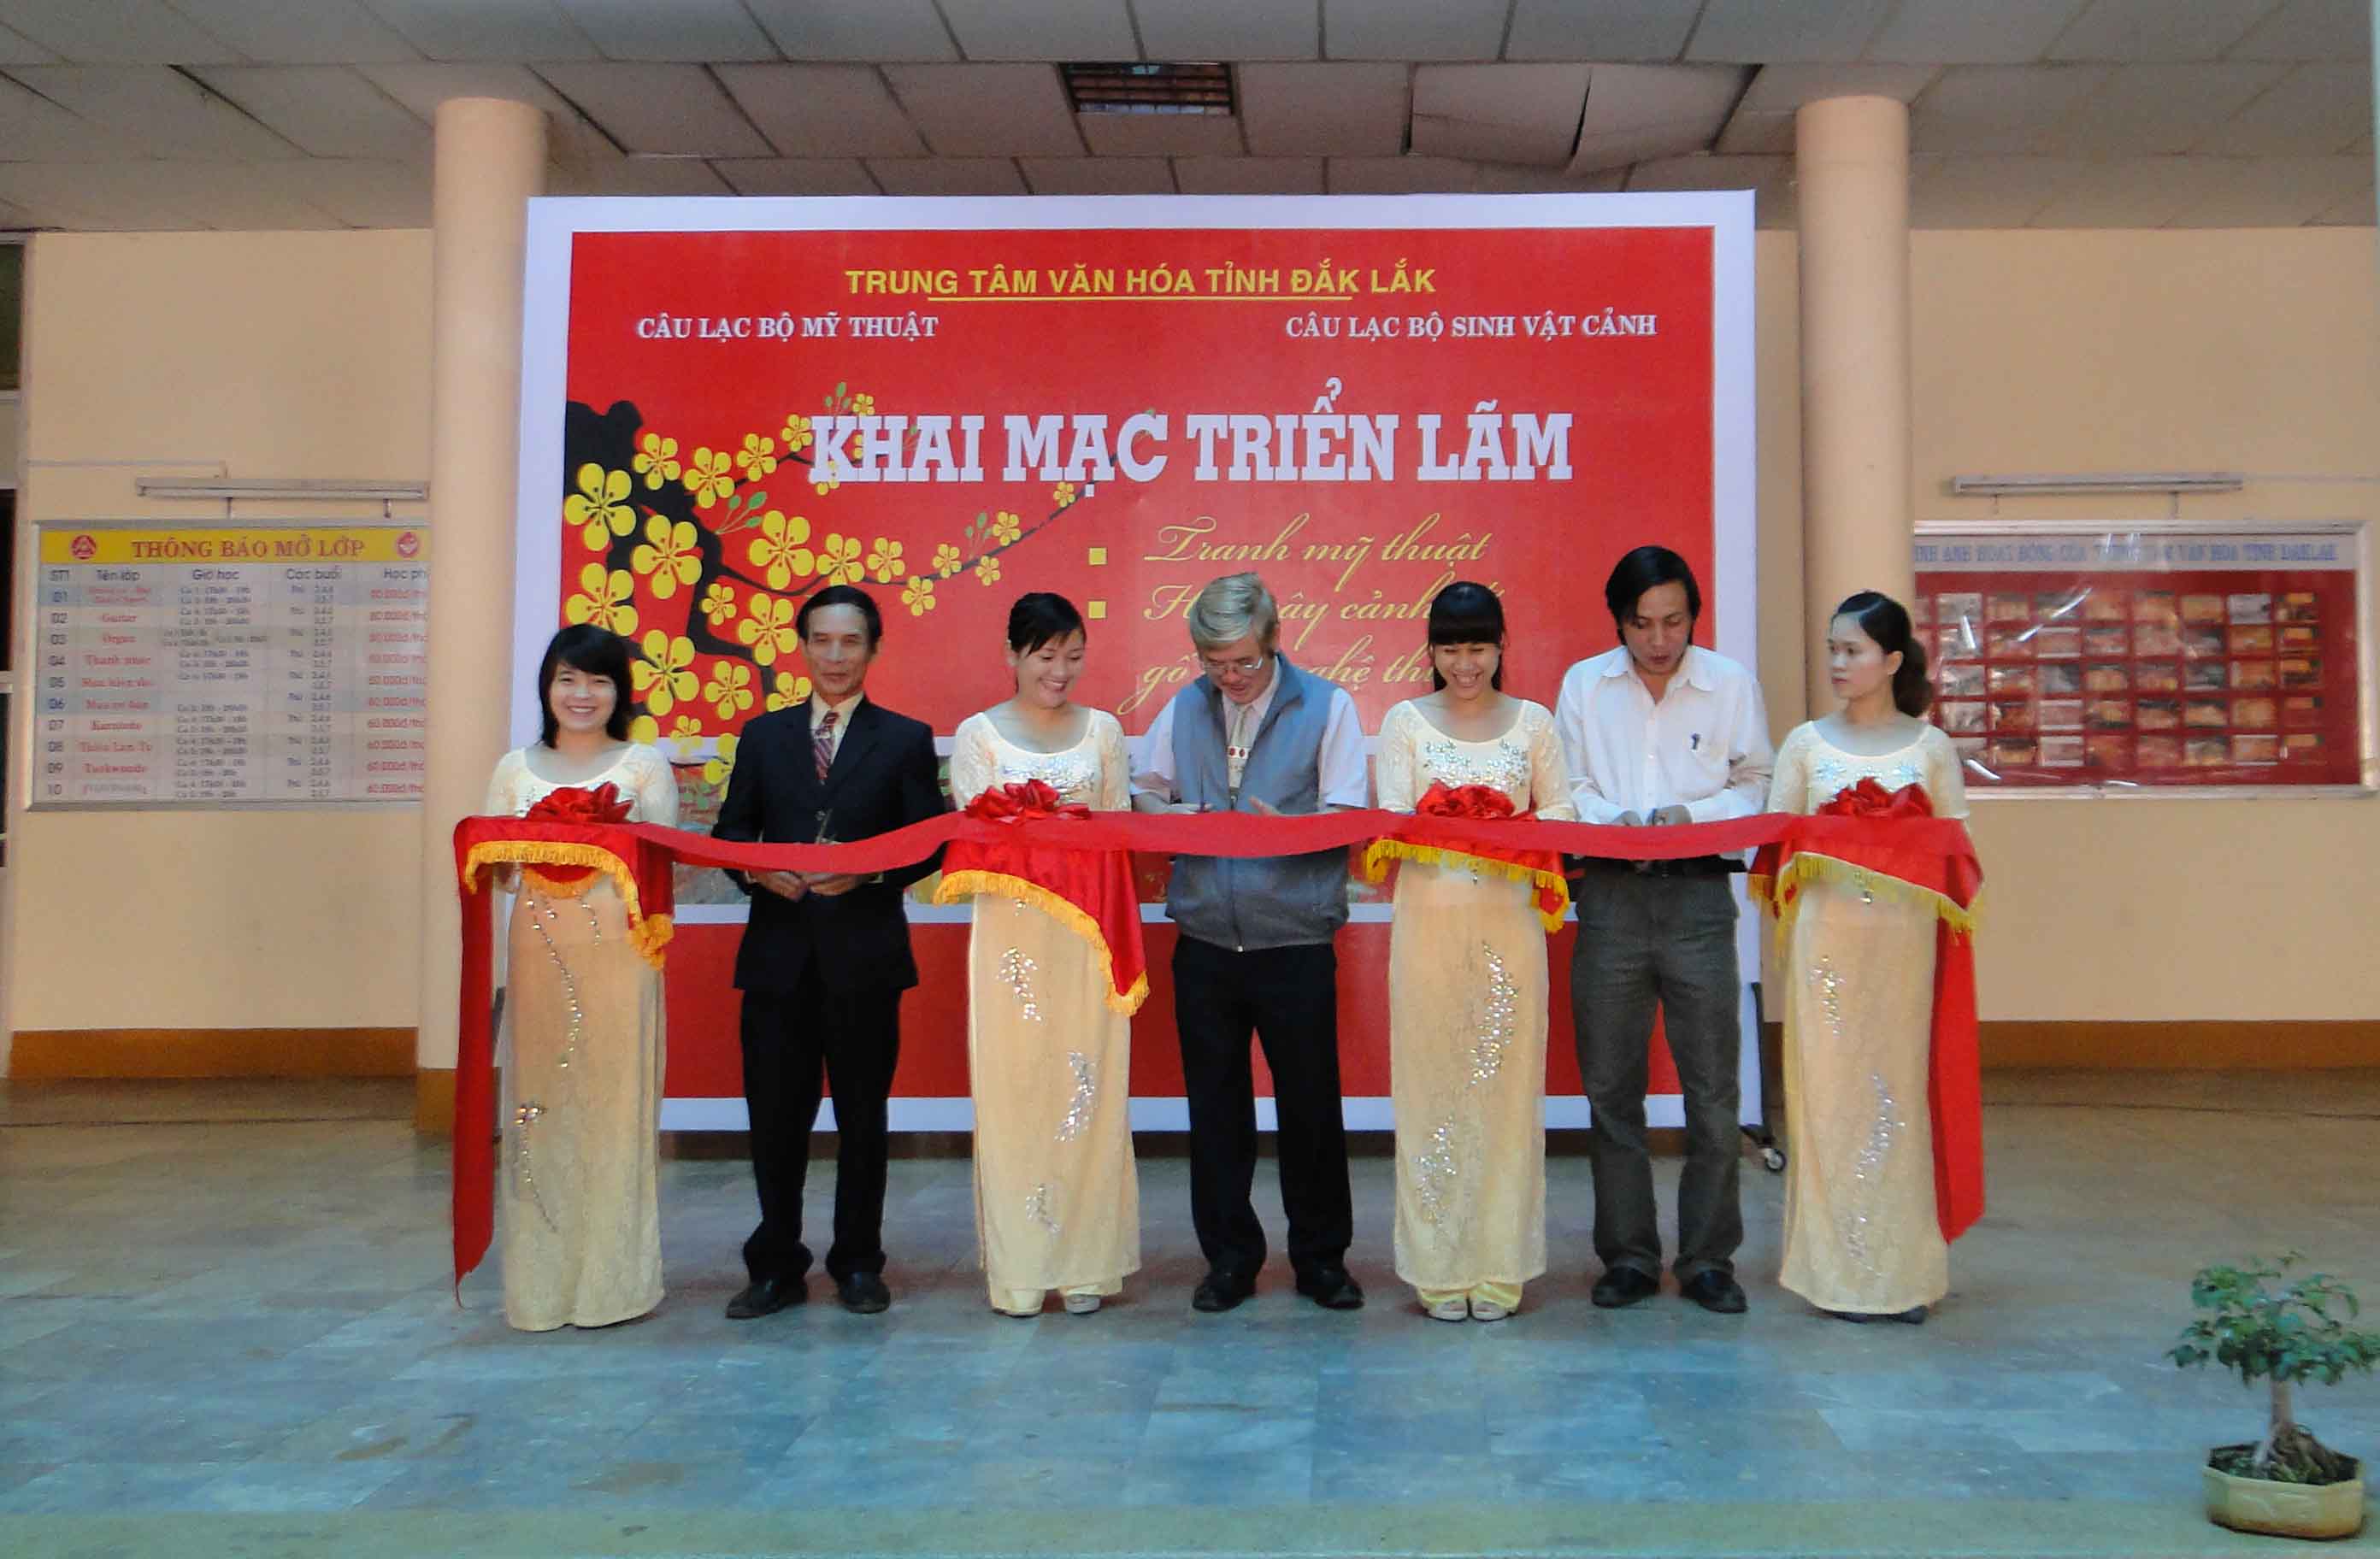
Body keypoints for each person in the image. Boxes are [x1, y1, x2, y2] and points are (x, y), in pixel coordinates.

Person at [1131, 572, 1368, 1313]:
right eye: (1215, 664)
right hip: (1206, 940)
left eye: (1244, 662)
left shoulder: (1328, 705)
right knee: (1215, 1112)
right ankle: (1229, 1261)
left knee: (1310, 1109)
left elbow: (1350, 815)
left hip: (1294, 941)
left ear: (1275, 641)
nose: (1230, 678)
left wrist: (1290, 833)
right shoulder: (1183, 705)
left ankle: (1322, 1262)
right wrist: (1166, 817)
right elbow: (1145, 790)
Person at [712, 584, 947, 1318]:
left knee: (862, 1118)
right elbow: (729, 834)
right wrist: (756, 871)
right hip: (777, 958)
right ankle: (774, 1265)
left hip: (865, 958)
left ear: (873, 649)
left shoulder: (905, 738)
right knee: (774, 1119)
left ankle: (858, 1263)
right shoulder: (763, 736)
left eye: (851, 642)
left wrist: (869, 872)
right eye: (822, 640)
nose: (835, 656)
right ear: (803, 646)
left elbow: (929, 843)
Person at [1555, 545, 1773, 1315]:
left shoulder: (1729, 684)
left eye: (1674, 622)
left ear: (1694, 617)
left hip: (1699, 902)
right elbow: (1568, 785)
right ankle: (1629, 1257)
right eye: (1642, 624)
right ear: (1619, 622)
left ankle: (1709, 1259)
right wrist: (1615, 822)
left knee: (1713, 1090)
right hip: (1610, 900)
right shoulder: (1584, 685)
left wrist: (1693, 817)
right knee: (1612, 1090)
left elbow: (1758, 782)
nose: (1658, 640)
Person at [1372, 584, 1576, 1321]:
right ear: (1431, 652)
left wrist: (1508, 825)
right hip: (1428, 930)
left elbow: (1563, 811)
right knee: (1431, 1088)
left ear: (1501, 647)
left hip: (1510, 935)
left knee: (1504, 1093)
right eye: (1452, 649)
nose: (1466, 664)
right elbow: (1391, 818)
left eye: (1479, 647)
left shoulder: (1534, 724)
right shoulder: (1404, 723)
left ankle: (1499, 1266)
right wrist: (1445, 816)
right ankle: (1438, 1264)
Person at [1766, 591, 1969, 1324]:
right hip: (1825, 948)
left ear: (1891, 661)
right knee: (1830, 1100)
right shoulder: (1805, 745)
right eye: (1833, 649)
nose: (1838, 663)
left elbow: (1956, 850)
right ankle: (1837, 1273)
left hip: (1901, 952)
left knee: (1895, 1099)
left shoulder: (1930, 748)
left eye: (1852, 651)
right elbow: (1776, 847)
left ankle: (1900, 1274)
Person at [480, 625, 680, 1331]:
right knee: (538, 1109)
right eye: (568, 678)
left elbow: (660, 866)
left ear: (620, 692)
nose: (583, 694)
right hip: (539, 954)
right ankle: (541, 1287)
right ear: (547, 687)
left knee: (615, 1106)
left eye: (599, 680)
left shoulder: (644, 768)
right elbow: (498, 871)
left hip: (622, 956)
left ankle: (613, 1285)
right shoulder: (515, 770)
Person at [945, 593, 1140, 1317]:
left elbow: (1117, 832)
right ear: (1013, 655)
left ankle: (1087, 1264)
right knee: (1016, 1089)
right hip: (1011, 941)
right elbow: (978, 836)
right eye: (1045, 656)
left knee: (1087, 1088)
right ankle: (1021, 1268)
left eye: (1073, 656)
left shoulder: (1104, 731)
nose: (1060, 671)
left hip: (1087, 938)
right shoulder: (978, 736)